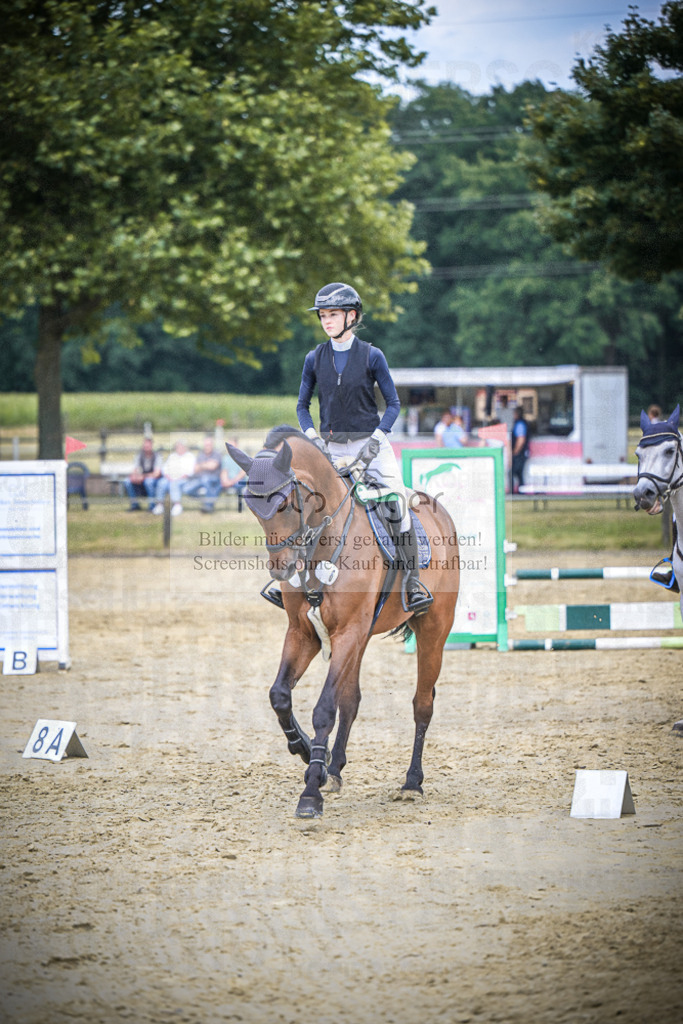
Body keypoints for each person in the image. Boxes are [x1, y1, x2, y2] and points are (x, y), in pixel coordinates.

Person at [296, 282, 432, 615]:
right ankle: (293, 578)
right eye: (323, 316)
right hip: (330, 448)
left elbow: (393, 404)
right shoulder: (314, 358)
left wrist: (377, 439)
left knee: (397, 501)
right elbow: (302, 406)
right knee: (304, 504)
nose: (326, 321)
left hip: (372, 445)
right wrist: (313, 438)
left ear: (351, 316)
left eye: (333, 315)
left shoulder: (372, 355)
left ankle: (412, 583)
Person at [153, 439, 196, 516]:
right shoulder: (172, 456)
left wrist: (179, 478)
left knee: (174, 484)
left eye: (181, 447)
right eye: (177, 447)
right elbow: (165, 468)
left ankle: (177, 505)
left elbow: (191, 471)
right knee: (161, 483)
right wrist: (167, 476)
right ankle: (159, 504)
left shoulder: (190, 457)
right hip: (169, 478)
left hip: (184, 479)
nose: (179, 449)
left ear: (185, 448)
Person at [183, 433, 223, 513]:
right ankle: (206, 501)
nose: (207, 446)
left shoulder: (217, 454)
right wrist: (206, 464)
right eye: (206, 445)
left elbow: (213, 466)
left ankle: (208, 506)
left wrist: (201, 465)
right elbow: (195, 469)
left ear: (212, 445)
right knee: (186, 489)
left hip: (214, 479)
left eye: (209, 445)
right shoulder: (200, 454)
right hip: (200, 478)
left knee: (206, 479)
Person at [125, 436, 162, 511]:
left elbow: (156, 474)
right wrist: (135, 477)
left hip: (154, 479)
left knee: (149, 482)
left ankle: (152, 505)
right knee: (127, 481)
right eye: (145, 446)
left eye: (148, 446)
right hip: (142, 478)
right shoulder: (139, 455)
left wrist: (143, 476)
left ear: (151, 446)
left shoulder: (157, 456)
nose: (146, 447)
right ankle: (134, 505)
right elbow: (135, 469)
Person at [221, 445, 247, 509]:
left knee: (239, 485)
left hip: (240, 480)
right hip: (229, 481)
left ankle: (240, 505)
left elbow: (242, 473)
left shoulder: (243, 456)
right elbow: (224, 471)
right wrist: (225, 481)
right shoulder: (226, 458)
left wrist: (232, 482)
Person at [510, 406, 529, 494]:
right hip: (522, 453)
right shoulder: (521, 423)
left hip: (519, 453)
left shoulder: (520, 424)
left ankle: (514, 492)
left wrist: (515, 452)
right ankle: (521, 491)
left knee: (513, 472)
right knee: (519, 474)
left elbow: (521, 440)